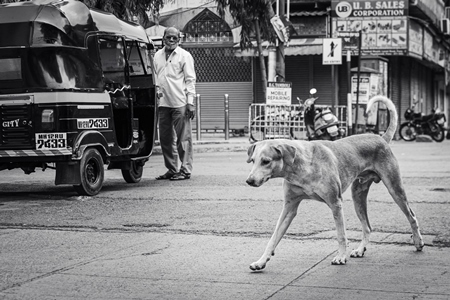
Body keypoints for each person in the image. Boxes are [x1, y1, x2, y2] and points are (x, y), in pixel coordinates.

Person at [153, 27, 196, 181]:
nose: (171, 41)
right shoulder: (157, 55)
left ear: (179, 40)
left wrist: (190, 103)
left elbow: (190, 80)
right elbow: (157, 77)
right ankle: (172, 169)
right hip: (163, 103)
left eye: (174, 38)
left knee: (183, 138)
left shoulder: (185, 56)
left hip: (180, 103)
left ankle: (185, 170)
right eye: (168, 38)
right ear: (163, 38)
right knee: (165, 138)